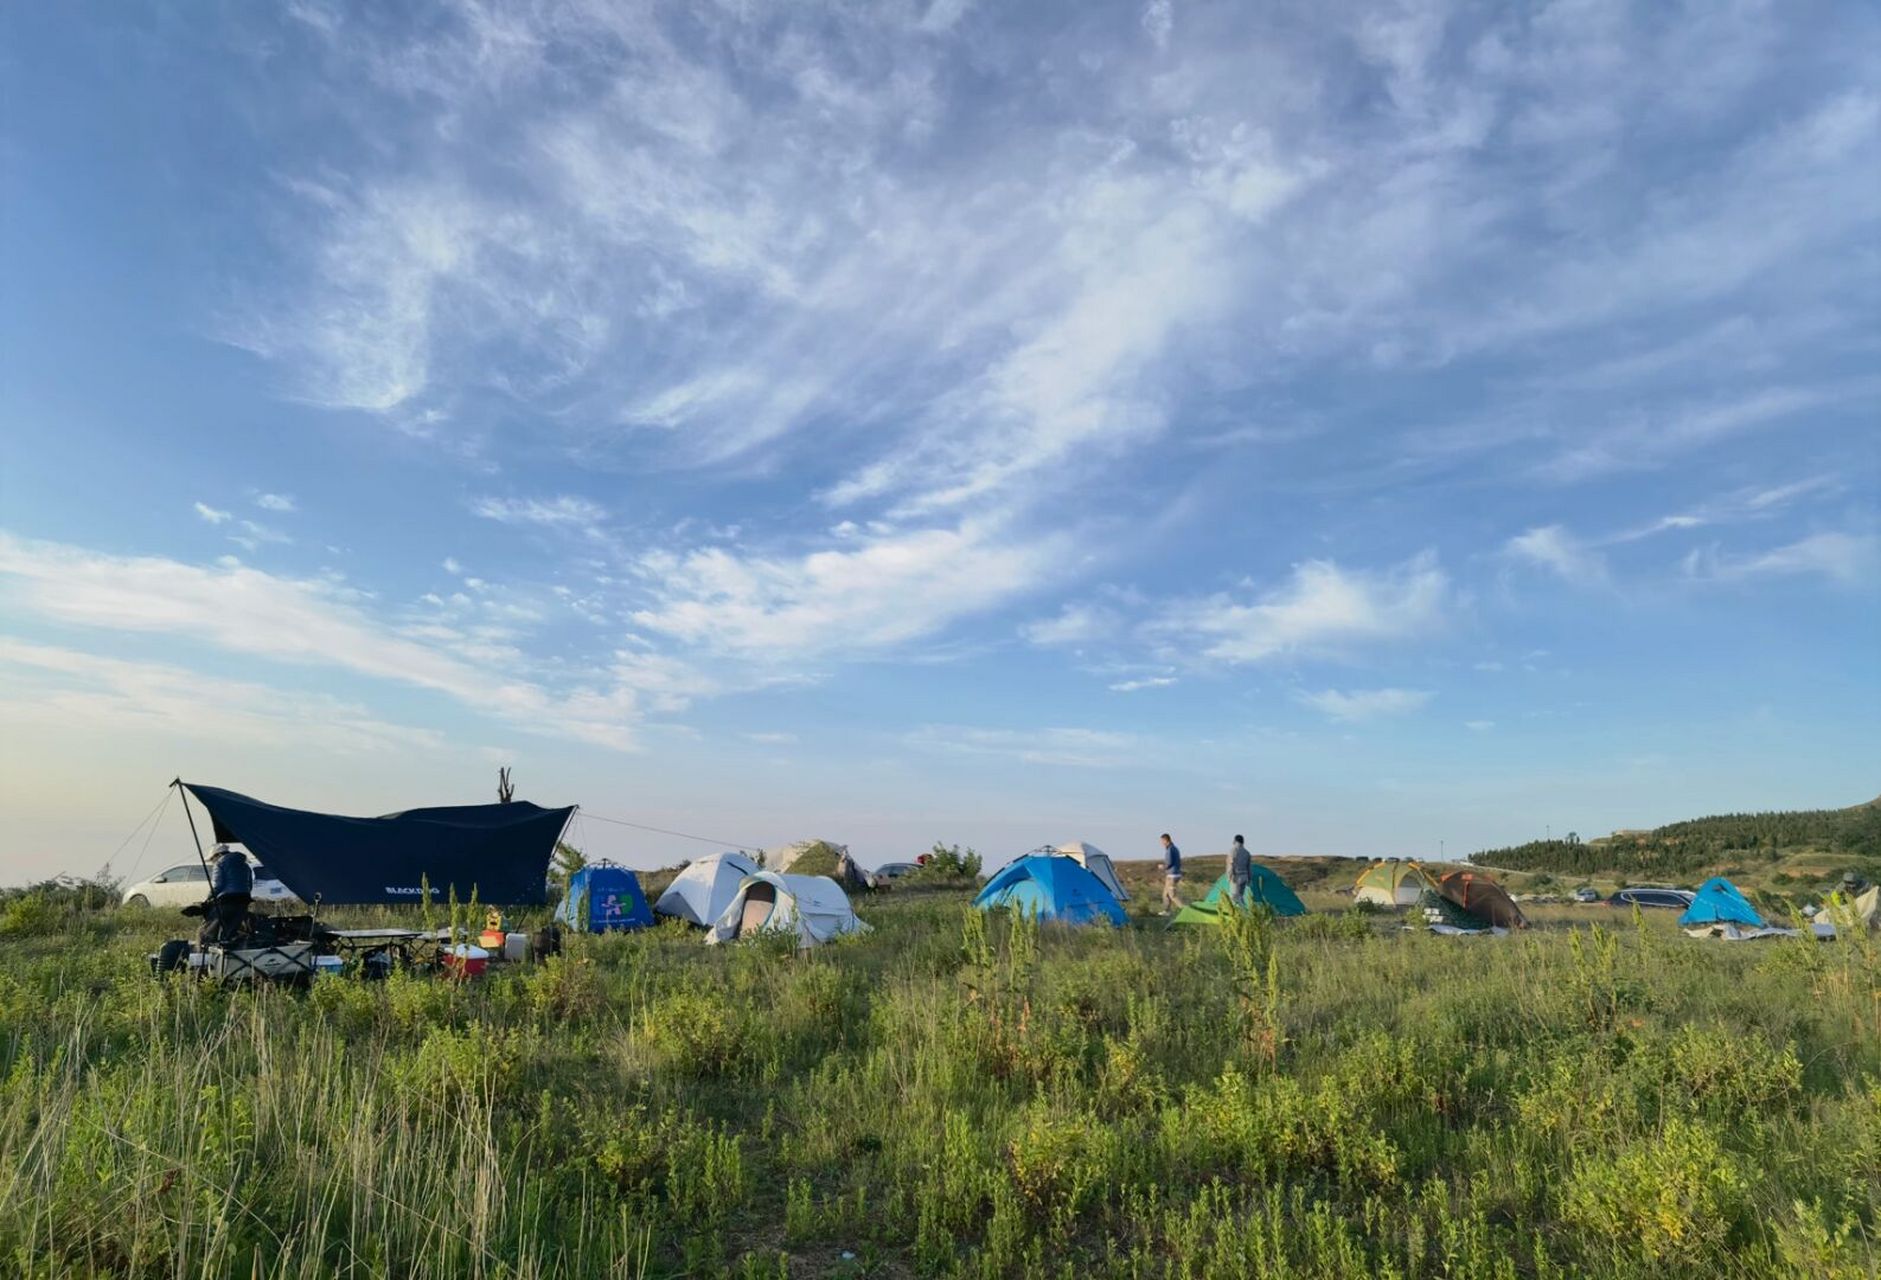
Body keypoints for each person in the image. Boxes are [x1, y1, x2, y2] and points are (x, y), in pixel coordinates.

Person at [1160, 833, 1183, 914]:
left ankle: (1185, 910)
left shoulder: (1170, 849)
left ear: (1166, 840)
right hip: (1174, 874)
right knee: (1165, 894)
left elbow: (1168, 863)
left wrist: (1162, 867)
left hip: (1172, 876)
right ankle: (1166, 911)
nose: (1161, 843)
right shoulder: (1175, 848)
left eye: (1162, 841)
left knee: (1172, 896)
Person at [1229, 834, 1252, 908]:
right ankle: (1244, 912)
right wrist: (1249, 879)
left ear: (1235, 841)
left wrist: (1230, 876)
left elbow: (1231, 864)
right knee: (1241, 897)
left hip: (1236, 877)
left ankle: (1240, 913)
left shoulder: (1233, 850)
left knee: (1234, 897)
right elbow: (1249, 867)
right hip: (1245, 877)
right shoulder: (1247, 853)